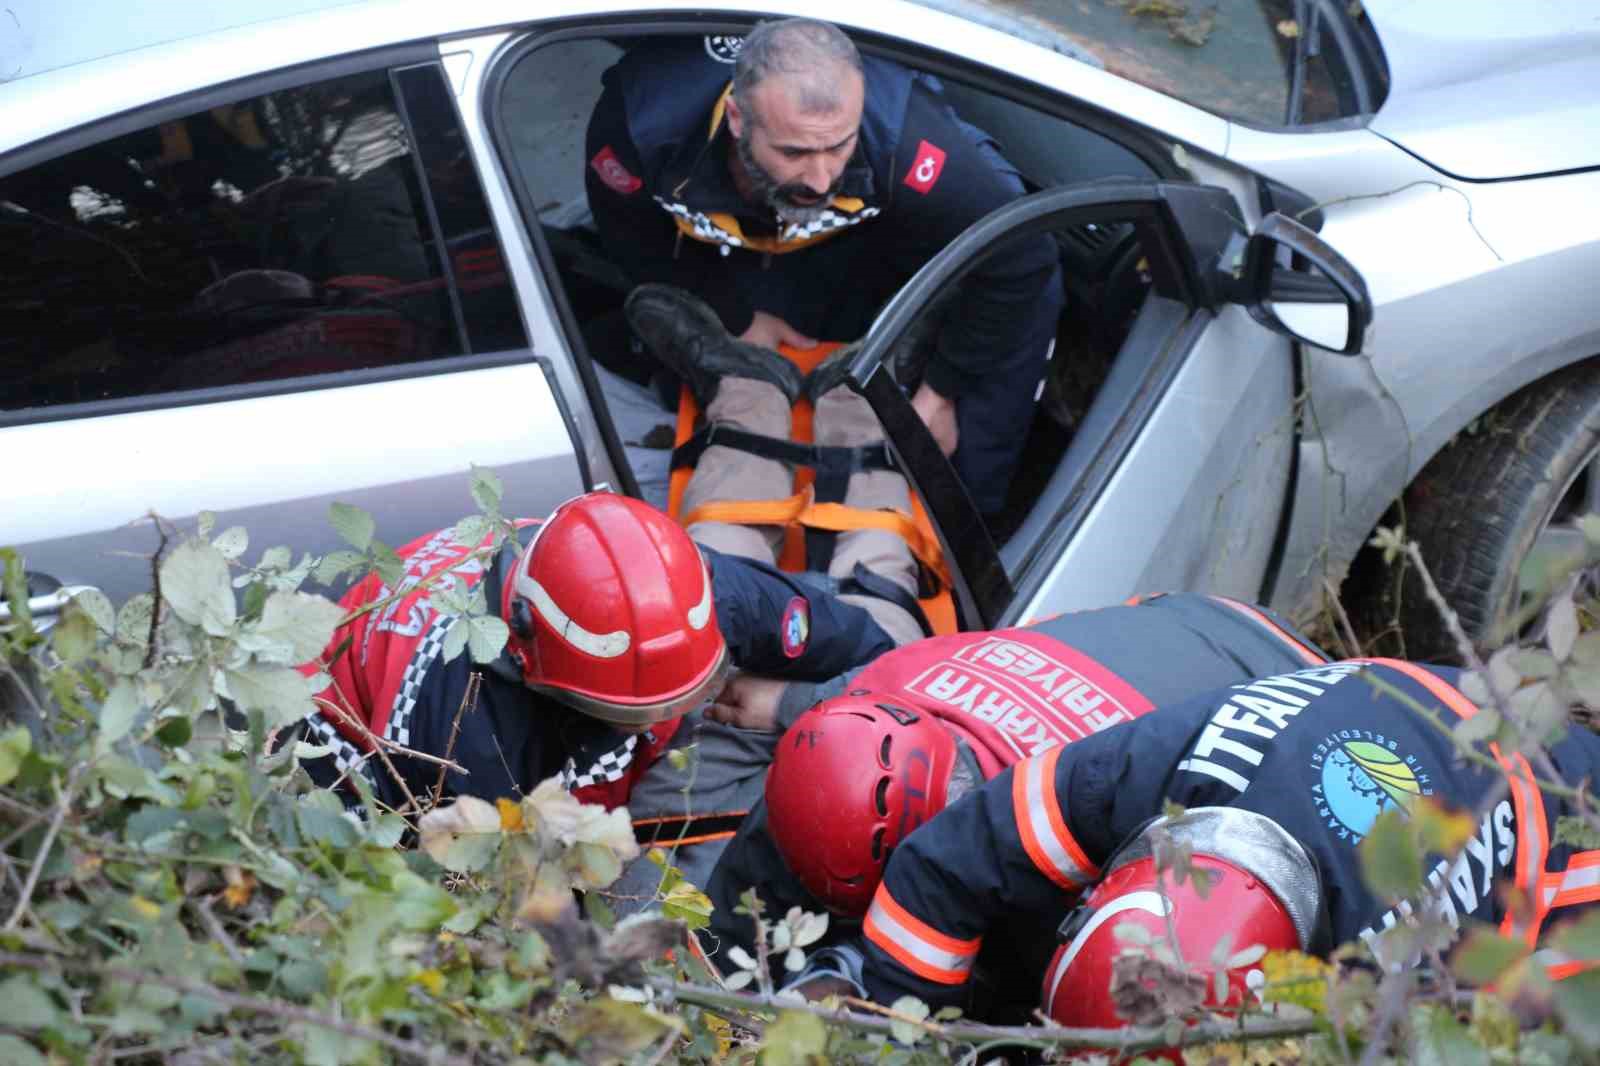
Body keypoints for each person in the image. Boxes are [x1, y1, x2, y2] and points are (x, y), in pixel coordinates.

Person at [833, 656, 1600, 1032]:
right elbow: (942, 868)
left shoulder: (1373, 969)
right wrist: (901, 1037)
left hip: (1567, 826)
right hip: (1421, 705)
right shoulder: (1136, 772)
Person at [689, 592, 1330, 1011]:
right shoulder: (848, 723)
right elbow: (736, 911)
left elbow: (1046, 1005)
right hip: (1183, 622)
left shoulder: (1063, 816)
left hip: (1292, 683)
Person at [584, 18, 1064, 518]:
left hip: (874, 241)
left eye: (838, 146)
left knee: (1017, 310)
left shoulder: (908, 141)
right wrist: (734, 314)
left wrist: (940, 392)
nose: (819, 179)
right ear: (737, 119)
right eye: (794, 151)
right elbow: (627, 232)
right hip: (738, 245)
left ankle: (971, 528)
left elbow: (1024, 258)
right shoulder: (639, 126)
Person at [294, 490, 899, 813]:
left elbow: (879, 655)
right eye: (630, 714)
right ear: (531, 666)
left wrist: (795, 701)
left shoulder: (693, 589)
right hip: (372, 774)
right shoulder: (463, 740)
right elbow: (492, 907)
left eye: (679, 696)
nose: (659, 722)